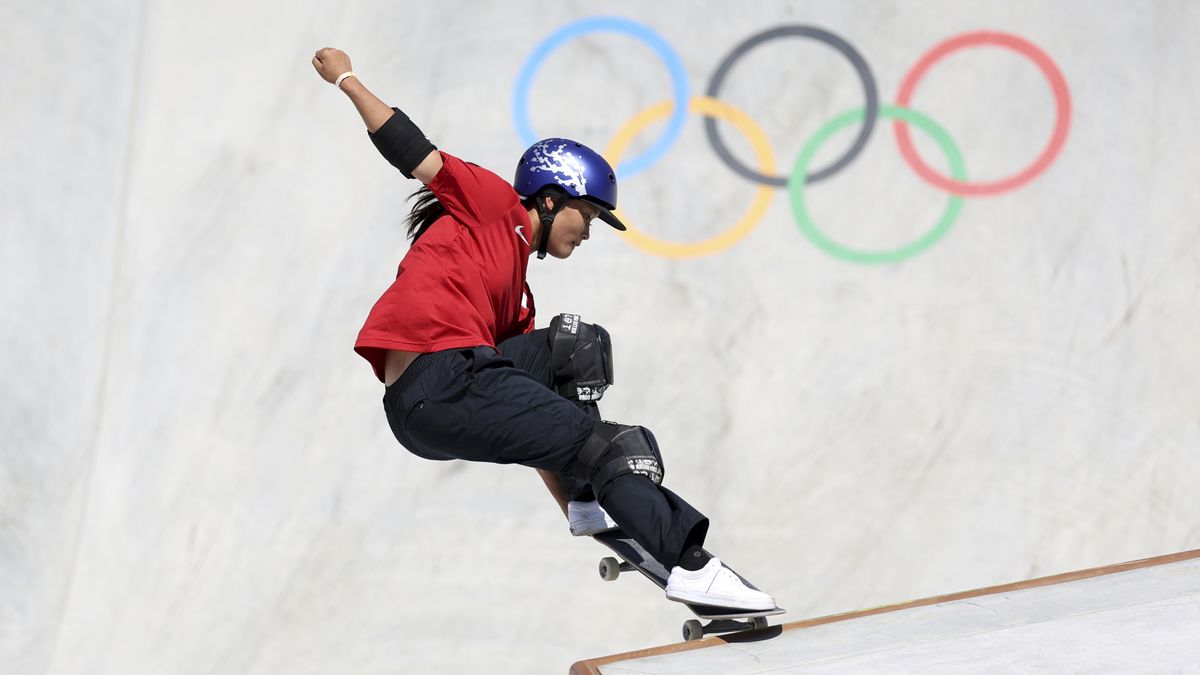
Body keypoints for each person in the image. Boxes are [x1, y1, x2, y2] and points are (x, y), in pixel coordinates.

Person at [312, 47, 775, 611]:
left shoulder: (516, 298)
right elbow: (413, 151)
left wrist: (575, 505)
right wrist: (347, 78)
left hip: (445, 392)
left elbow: (535, 418)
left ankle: (589, 498)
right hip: (439, 379)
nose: (589, 232)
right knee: (617, 449)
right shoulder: (492, 204)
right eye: (589, 216)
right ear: (551, 199)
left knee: (575, 349)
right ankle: (689, 563)